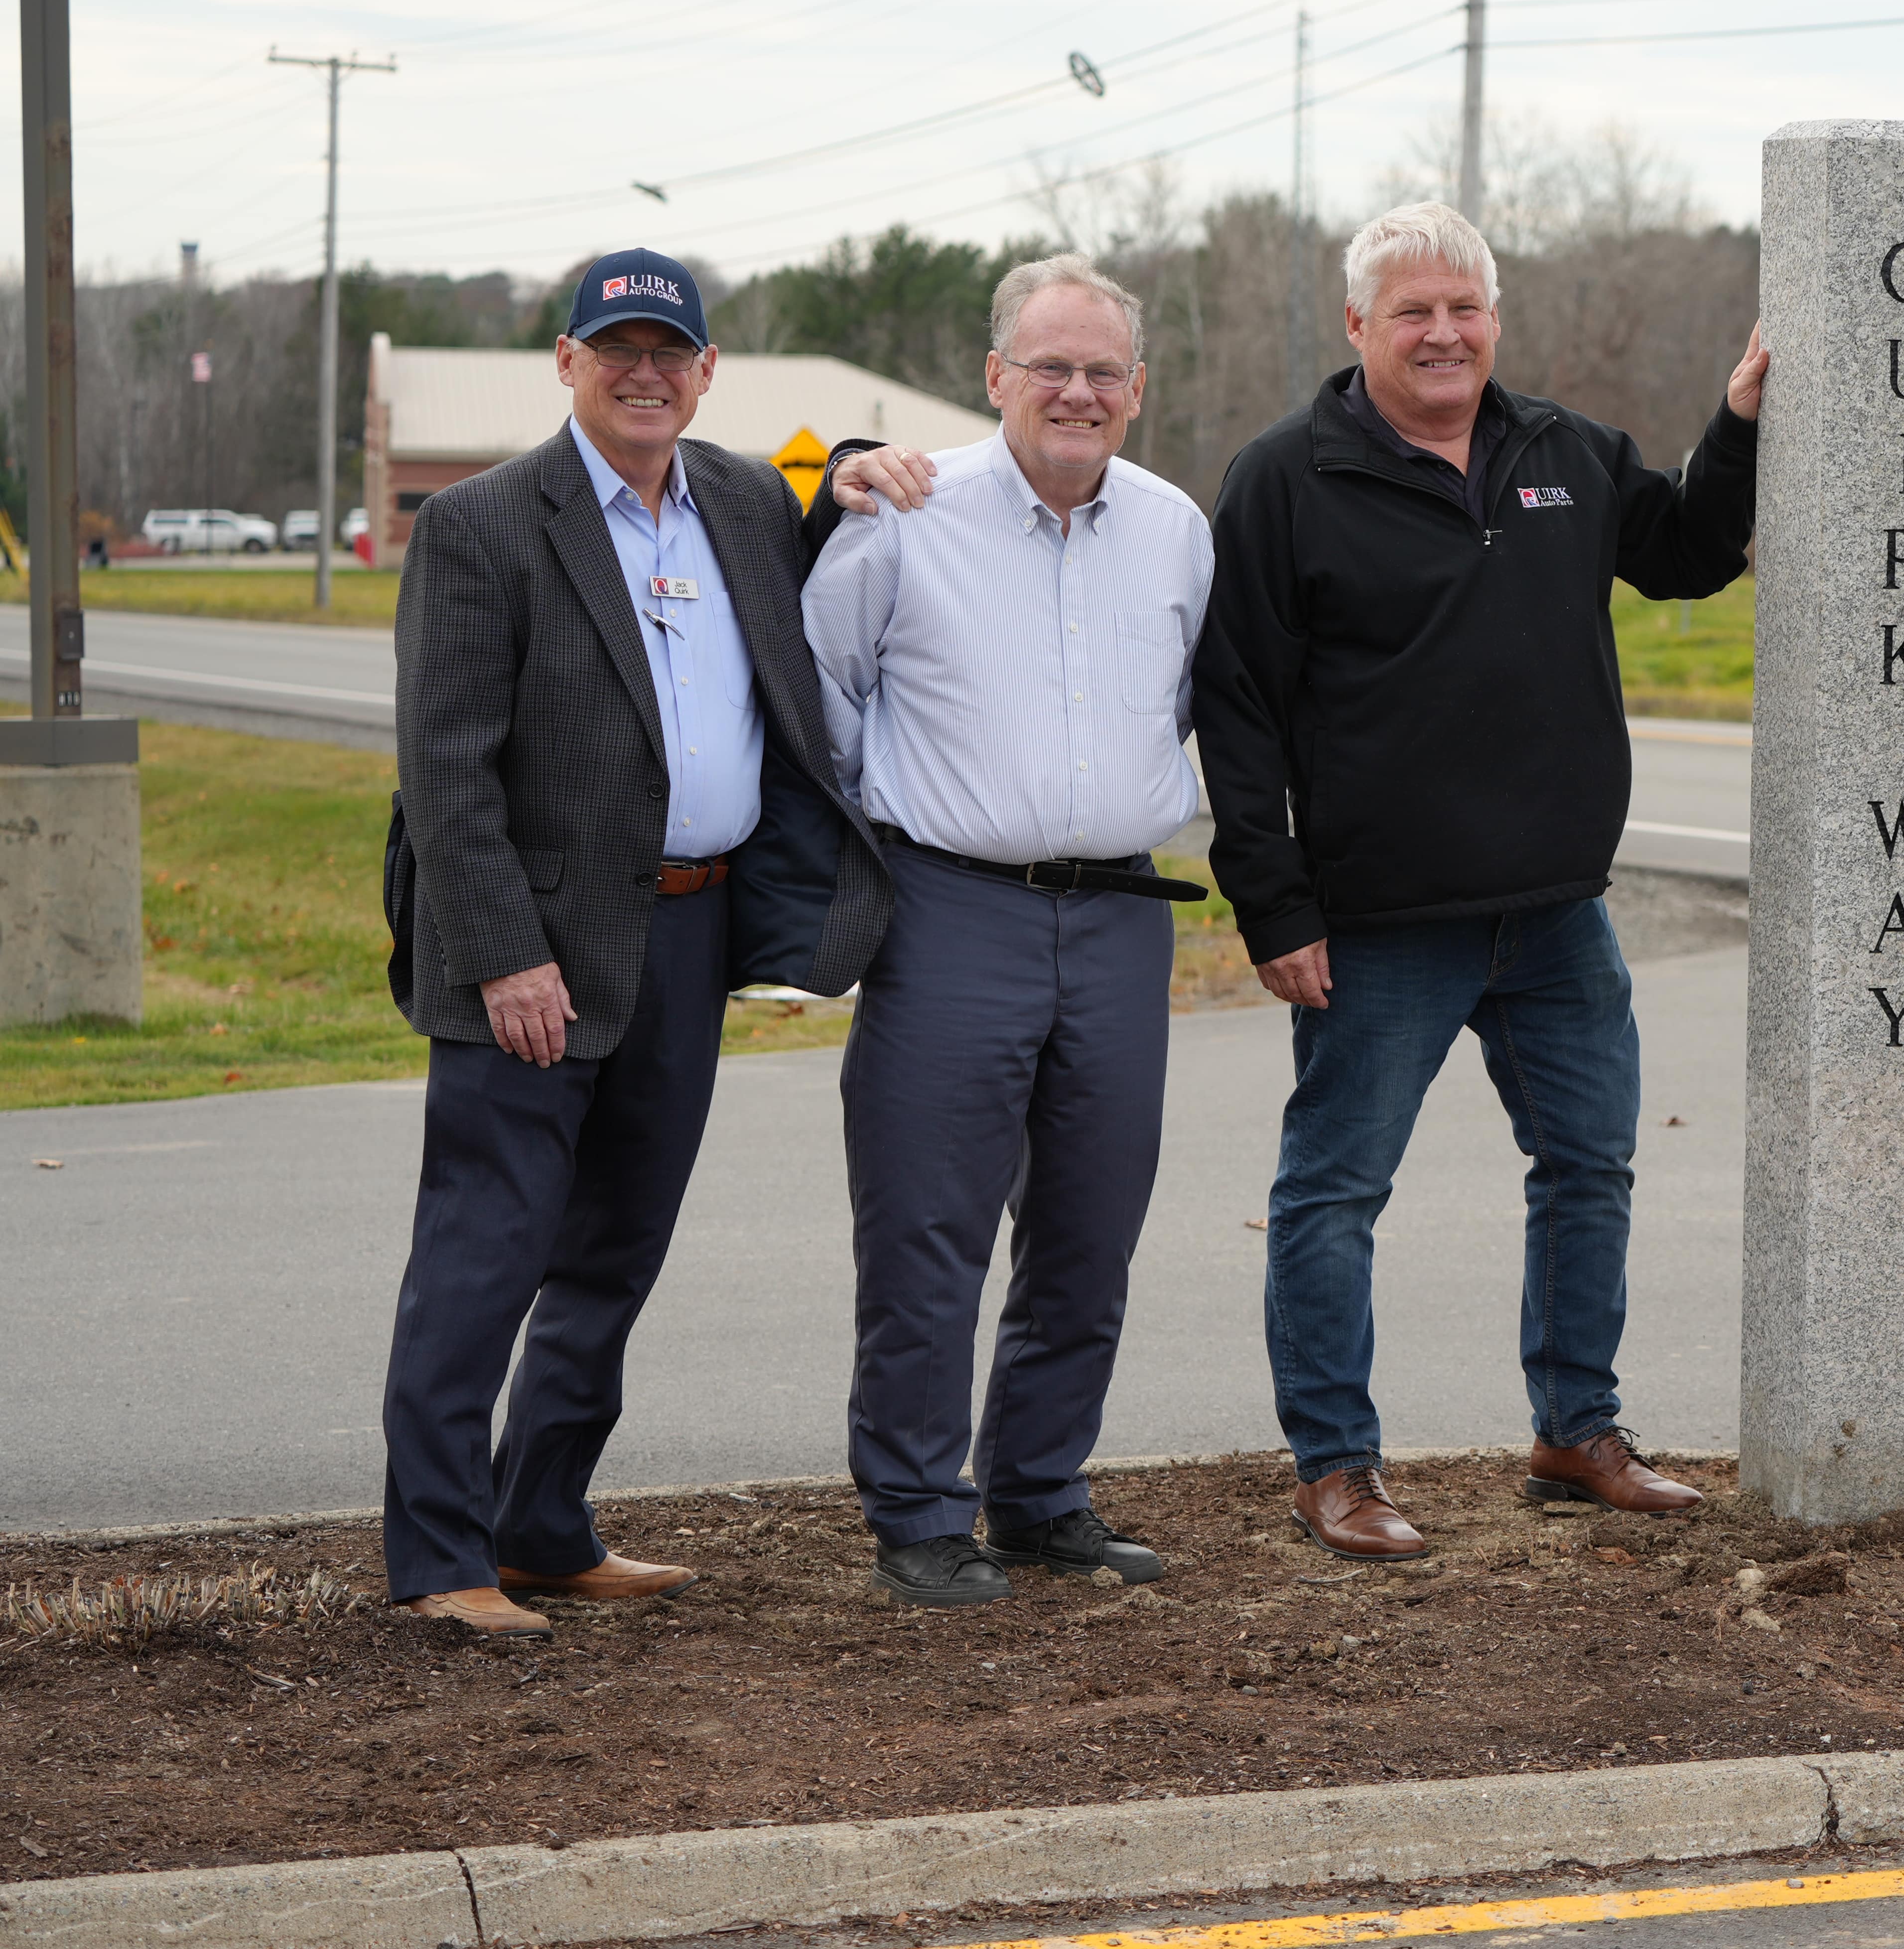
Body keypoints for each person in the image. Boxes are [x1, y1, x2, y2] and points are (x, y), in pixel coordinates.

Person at [1189, 200, 1764, 1562]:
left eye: (1464, 308)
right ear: (1358, 327)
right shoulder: (1285, 478)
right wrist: (1273, 903)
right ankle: (1335, 1466)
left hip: (1558, 914)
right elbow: (1238, 706)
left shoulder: (1562, 450)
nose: (1443, 332)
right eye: (1412, 311)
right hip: (1380, 927)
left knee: (1588, 1171)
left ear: (1494, 318)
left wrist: (1738, 417)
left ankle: (1579, 1431)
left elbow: (1684, 557)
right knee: (1335, 1195)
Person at [382, 249, 888, 1635]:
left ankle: (540, 1525)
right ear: (568, 362)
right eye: (619, 349)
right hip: (532, 959)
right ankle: (438, 1561)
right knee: (485, 1254)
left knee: (615, 1253)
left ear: (709, 370)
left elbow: (828, 497)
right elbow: (444, 770)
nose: (646, 372)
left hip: (687, 933)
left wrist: (846, 467)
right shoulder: (486, 525)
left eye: (672, 350)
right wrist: (502, 955)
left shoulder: (734, 497)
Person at [800, 255, 1216, 1609]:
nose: (1079, 392)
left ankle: (1041, 1494)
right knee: (929, 1229)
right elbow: (823, 696)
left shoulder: (1173, 530)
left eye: (1104, 372)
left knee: (1091, 1230)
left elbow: (1191, 702)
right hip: (952, 911)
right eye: (1052, 367)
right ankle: (919, 1510)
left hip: (1118, 920)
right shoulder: (908, 515)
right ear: (997, 379)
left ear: (1137, 391)